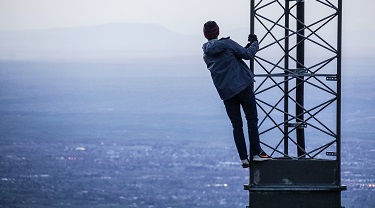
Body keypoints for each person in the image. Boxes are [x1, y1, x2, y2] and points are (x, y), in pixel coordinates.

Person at [202, 20, 271, 168]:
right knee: (251, 119)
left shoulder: (206, 54)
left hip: (227, 94)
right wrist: (255, 43)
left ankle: (243, 158)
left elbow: (229, 58)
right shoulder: (227, 43)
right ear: (218, 31)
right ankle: (256, 153)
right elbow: (248, 55)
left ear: (205, 35)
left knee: (236, 126)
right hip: (243, 87)